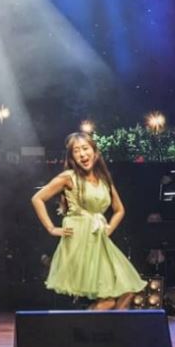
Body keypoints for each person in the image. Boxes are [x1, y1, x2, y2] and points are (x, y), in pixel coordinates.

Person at [31, 131, 145, 310]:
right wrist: (51, 228)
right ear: (72, 157)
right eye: (76, 151)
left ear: (95, 151)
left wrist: (109, 228)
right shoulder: (69, 177)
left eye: (85, 148)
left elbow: (119, 210)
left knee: (128, 290)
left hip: (99, 239)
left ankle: (102, 325)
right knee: (108, 300)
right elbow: (37, 198)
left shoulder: (104, 179)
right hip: (81, 240)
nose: (82, 154)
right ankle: (91, 324)